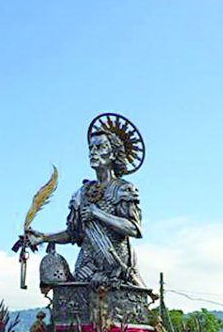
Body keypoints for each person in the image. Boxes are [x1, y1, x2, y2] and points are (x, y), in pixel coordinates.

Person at [28, 120, 144, 287]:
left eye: (100, 147)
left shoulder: (123, 189)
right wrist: (44, 237)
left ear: (113, 154)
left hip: (115, 267)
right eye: (91, 148)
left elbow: (133, 228)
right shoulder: (81, 194)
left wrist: (98, 214)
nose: (93, 153)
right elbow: (74, 234)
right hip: (85, 266)